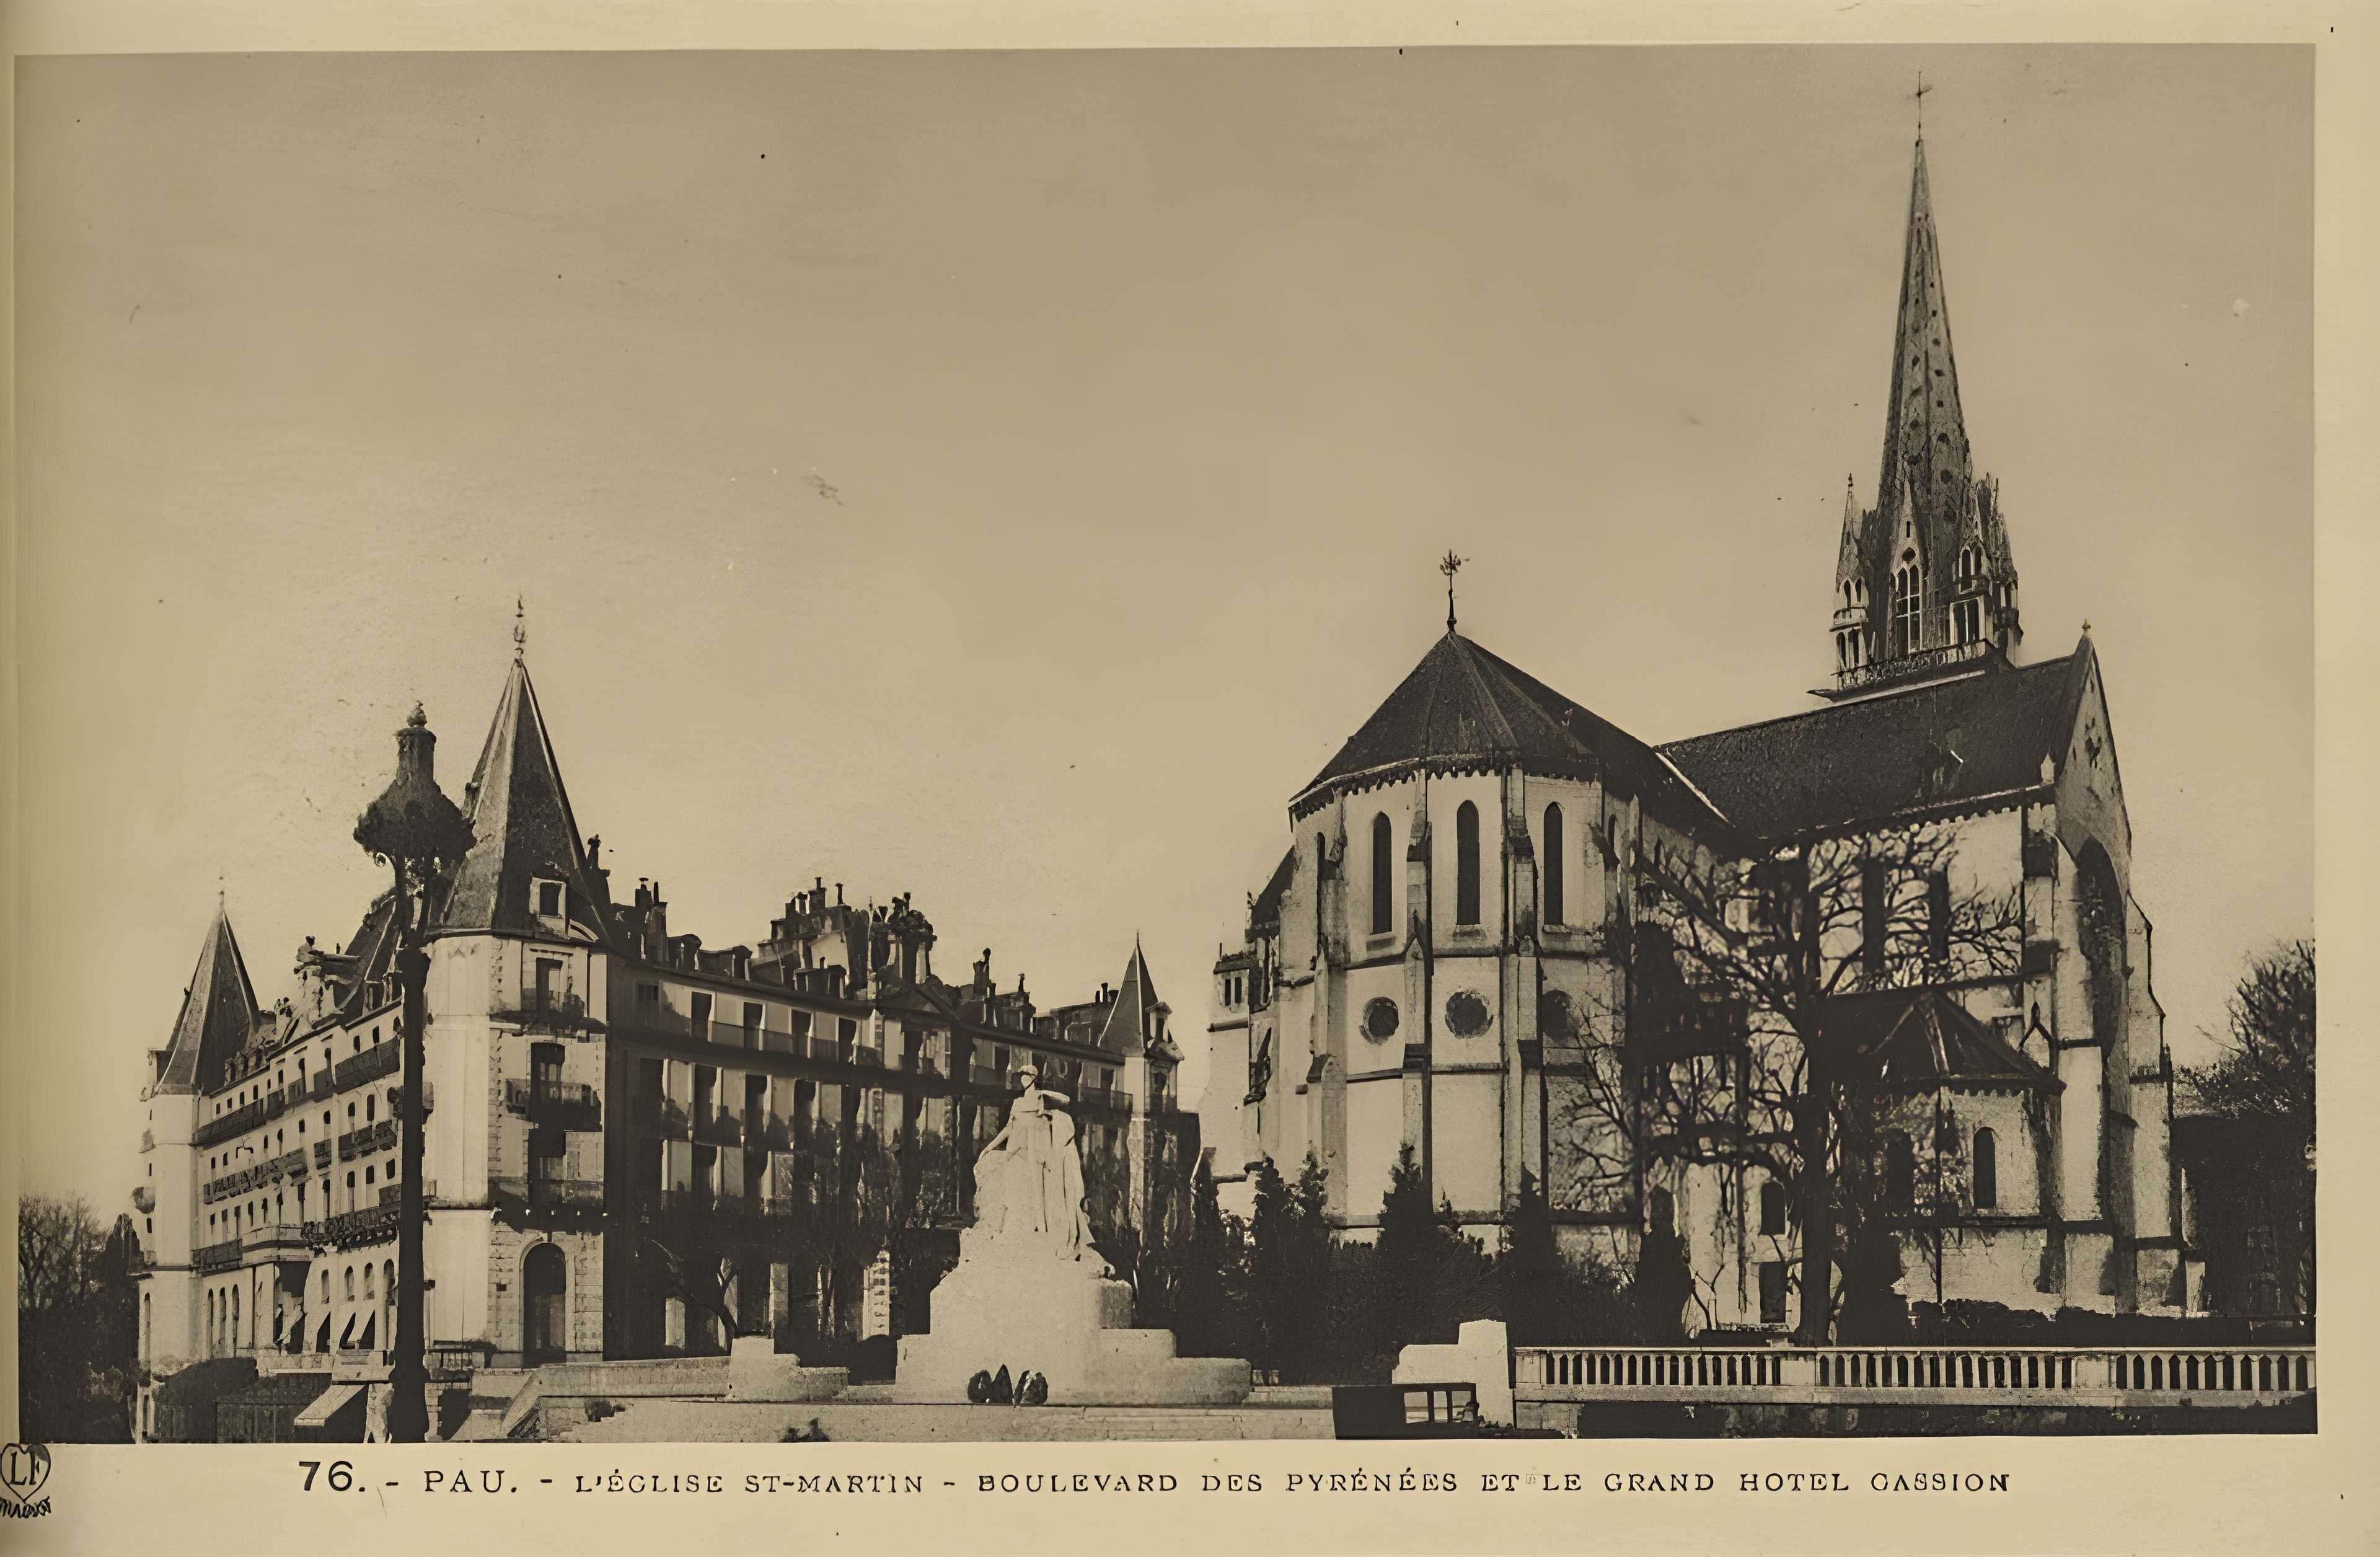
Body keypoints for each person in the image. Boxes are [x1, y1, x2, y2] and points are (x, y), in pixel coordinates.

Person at [971, 1066, 1099, 1266]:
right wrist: (988, 1148)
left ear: (1034, 1078)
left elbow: (1065, 1100)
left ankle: (1042, 1230)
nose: (1023, 1079)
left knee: (1039, 1190)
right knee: (1012, 1189)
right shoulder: (1017, 1102)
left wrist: (1044, 1094)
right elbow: (1008, 1128)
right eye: (1021, 1075)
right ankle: (1012, 1229)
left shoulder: (1039, 1097)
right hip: (1017, 1148)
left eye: (1027, 1076)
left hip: (1037, 1150)